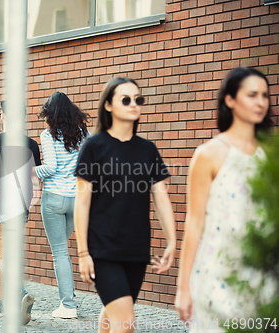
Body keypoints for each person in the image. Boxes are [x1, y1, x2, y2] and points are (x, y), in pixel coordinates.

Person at [74, 77, 176, 333]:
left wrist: (172, 241)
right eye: (126, 99)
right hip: (102, 248)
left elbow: (161, 196)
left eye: (138, 99)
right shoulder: (94, 147)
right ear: (108, 105)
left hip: (136, 248)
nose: (134, 104)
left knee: (113, 313)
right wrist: (83, 252)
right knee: (126, 323)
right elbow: (82, 201)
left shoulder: (147, 150)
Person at [175, 67, 272, 332]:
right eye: (252, 94)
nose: (261, 101)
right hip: (216, 274)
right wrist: (183, 288)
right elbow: (194, 222)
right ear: (230, 100)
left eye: (265, 95)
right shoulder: (209, 154)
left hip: (262, 275)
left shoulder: (271, 154)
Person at [0, 101, 41, 324]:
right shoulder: (32, 144)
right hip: (21, 209)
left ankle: (19, 293)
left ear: (2, 115)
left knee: (2, 257)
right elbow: (34, 179)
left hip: (0, 208)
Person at [34, 92, 90, 319]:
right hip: (77, 199)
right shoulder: (84, 134)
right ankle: (69, 297)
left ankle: (67, 306)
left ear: (50, 113)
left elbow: (51, 167)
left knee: (59, 251)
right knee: (63, 249)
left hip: (55, 199)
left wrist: (30, 170)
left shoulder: (48, 135)